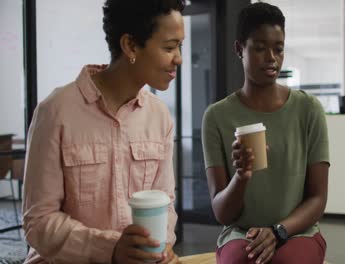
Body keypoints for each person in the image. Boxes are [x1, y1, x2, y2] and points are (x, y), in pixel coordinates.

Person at [22, 0, 185, 263]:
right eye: (169, 47)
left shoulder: (159, 116)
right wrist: (110, 249)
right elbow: (38, 222)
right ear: (130, 45)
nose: (178, 58)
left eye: (180, 46)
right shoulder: (55, 112)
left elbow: (163, 202)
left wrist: (160, 247)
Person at [201, 2, 329, 264]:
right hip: (241, 233)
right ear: (239, 49)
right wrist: (242, 176)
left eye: (278, 48)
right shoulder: (216, 117)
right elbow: (222, 213)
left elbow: (318, 198)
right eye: (260, 48)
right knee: (243, 260)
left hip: (296, 232)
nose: (271, 57)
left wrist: (278, 232)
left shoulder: (309, 110)